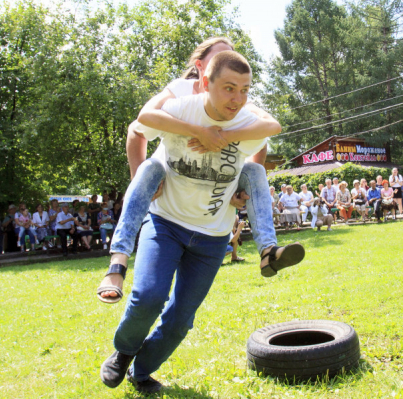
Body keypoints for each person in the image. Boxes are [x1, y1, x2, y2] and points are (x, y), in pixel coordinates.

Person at [99, 51, 304, 394]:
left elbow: (272, 128)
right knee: (148, 296)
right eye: (228, 88)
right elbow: (141, 122)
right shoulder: (182, 108)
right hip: (166, 223)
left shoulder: (244, 120)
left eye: (244, 90)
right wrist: (198, 131)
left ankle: (142, 371)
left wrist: (225, 141)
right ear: (204, 83)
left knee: (181, 320)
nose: (237, 99)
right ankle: (123, 350)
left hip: (211, 236)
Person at [98, 37, 301, 304]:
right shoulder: (181, 92)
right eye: (220, 58)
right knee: (149, 170)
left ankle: (268, 251)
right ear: (202, 68)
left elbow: (264, 133)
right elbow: (139, 125)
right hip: (172, 186)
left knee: (254, 171)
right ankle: (118, 262)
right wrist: (141, 184)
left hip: (211, 215)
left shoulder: (234, 97)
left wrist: (239, 176)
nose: (228, 63)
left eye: (233, 58)